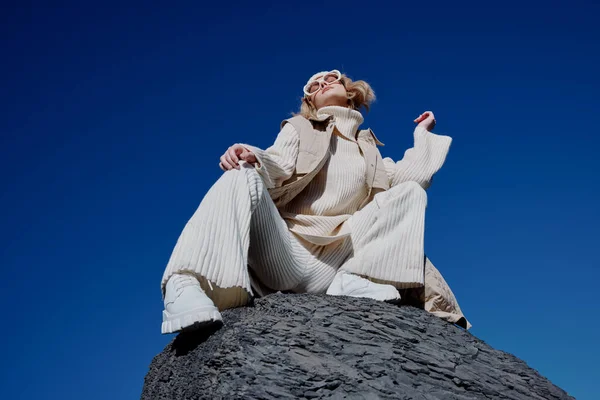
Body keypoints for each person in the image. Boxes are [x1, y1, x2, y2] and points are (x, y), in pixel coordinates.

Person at [160, 69, 471, 334]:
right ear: (309, 101)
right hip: (287, 254)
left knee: (410, 194)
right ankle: (185, 286)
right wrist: (253, 155)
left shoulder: (371, 151)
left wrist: (423, 135)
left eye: (331, 78)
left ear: (351, 92)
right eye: (313, 86)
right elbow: (277, 164)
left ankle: (356, 280)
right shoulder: (299, 129)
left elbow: (410, 180)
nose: (322, 83)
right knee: (242, 174)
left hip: (340, 262)